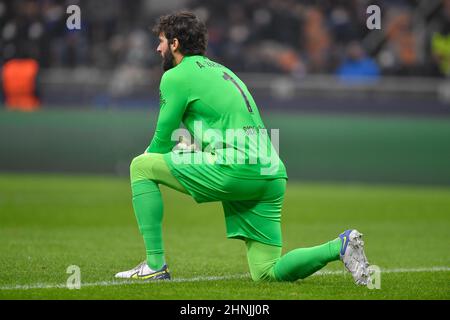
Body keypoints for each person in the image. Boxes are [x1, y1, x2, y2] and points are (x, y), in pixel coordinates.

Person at [115, 11, 370, 285]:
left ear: (175, 44)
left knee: (140, 166)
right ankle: (340, 246)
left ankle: (155, 266)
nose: (158, 48)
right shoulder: (223, 71)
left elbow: (161, 142)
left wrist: (165, 156)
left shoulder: (176, 76)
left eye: (162, 41)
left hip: (236, 168)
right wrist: (194, 150)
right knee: (266, 271)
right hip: (270, 173)